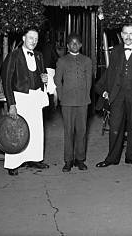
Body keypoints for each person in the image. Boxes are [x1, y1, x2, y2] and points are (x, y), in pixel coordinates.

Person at [95, 24, 132, 168]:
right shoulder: (115, 51)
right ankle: (112, 158)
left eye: (131, 34)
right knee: (115, 127)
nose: (128, 36)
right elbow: (111, 74)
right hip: (118, 96)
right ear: (121, 35)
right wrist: (105, 91)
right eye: (125, 33)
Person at [1, 27, 51, 176]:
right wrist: (12, 104)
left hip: (35, 97)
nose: (34, 42)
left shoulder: (39, 56)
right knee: (17, 130)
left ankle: (34, 158)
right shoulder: (13, 56)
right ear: (23, 38)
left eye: (36, 39)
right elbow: (7, 81)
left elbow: (42, 74)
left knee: (36, 129)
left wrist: (45, 79)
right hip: (20, 97)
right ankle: (13, 163)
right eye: (31, 38)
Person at [54, 34, 92, 172]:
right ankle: (68, 160)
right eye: (72, 43)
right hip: (67, 102)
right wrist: (62, 97)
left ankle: (80, 159)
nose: (74, 45)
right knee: (69, 131)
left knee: (81, 131)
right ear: (68, 46)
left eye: (77, 43)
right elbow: (57, 80)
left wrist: (86, 96)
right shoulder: (62, 61)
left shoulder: (87, 60)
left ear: (81, 45)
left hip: (83, 101)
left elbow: (89, 81)